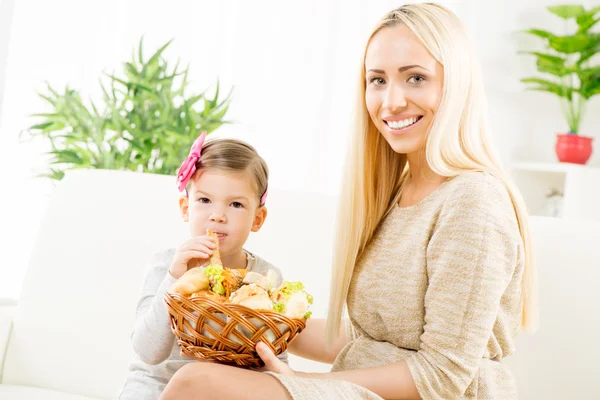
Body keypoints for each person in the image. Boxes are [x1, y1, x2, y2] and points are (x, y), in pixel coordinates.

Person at [158, 3, 537, 399]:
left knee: (195, 385)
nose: (391, 102)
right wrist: (257, 319)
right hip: (362, 388)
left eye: (416, 78)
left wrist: (300, 383)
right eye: (378, 80)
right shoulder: (395, 196)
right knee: (205, 373)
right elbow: (369, 339)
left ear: (456, 85)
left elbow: (442, 374)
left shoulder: (473, 201)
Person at [117, 132, 287, 400]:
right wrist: (175, 278)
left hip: (221, 391)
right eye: (205, 200)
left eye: (236, 204)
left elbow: (277, 364)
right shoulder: (167, 266)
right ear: (186, 207)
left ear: (258, 218)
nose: (218, 216)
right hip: (157, 385)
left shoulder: (265, 278)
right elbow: (148, 352)